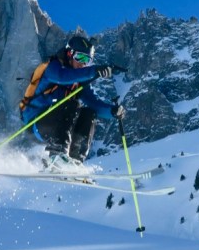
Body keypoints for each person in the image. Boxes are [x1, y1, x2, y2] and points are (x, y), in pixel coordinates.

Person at [20, 35, 125, 172]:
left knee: (89, 113)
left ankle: (75, 160)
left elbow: (94, 103)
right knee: (72, 104)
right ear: (69, 54)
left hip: (58, 126)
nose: (83, 63)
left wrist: (112, 111)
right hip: (37, 123)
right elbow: (61, 77)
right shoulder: (53, 67)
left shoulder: (79, 82)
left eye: (87, 60)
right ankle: (57, 155)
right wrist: (94, 71)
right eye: (80, 57)